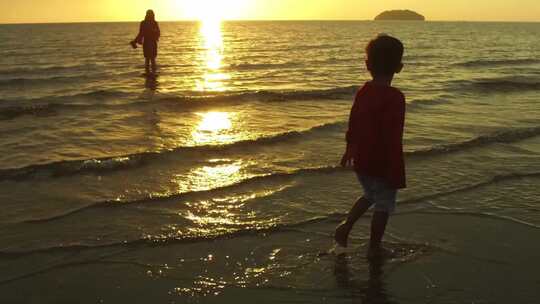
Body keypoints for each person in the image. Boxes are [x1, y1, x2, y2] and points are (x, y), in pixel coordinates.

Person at [334, 34, 406, 259]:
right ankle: (374, 247)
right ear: (400, 67)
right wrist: (395, 167)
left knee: (369, 194)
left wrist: (349, 148)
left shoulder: (363, 91)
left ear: (367, 65)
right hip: (383, 160)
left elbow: (353, 121)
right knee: (383, 204)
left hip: (362, 158)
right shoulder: (395, 98)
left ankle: (345, 226)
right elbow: (393, 136)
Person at [131, 10, 161, 74]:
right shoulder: (153, 23)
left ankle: (148, 73)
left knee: (148, 59)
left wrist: (136, 41)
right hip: (151, 42)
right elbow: (158, 33)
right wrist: (136, 41)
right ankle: (153, 73)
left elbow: (141, 33)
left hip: (148, 42)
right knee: (151, 59)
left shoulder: (145, 23)